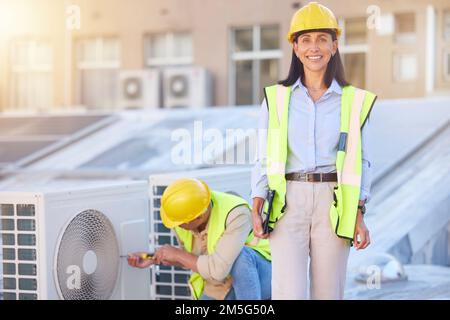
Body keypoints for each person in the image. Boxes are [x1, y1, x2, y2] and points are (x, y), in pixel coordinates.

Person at [250, 2, 376, 300]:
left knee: (328, 293)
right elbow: (262, 155)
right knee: (288, 293)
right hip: (287, 202)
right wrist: (257, 203)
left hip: (333, 203)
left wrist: (358, 213)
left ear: (335, 44)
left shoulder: (355, 101)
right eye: (305, 39)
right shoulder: (275, 98)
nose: (313, 47)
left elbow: (364, 161)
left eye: (322, 38)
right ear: (295, 47)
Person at [128, 178, 271, 300]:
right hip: (221, 286)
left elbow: (217, 270)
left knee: (241, 256)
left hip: (260, 278)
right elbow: (194, 259)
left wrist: (178, 254)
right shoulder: (185, 217)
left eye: (180, 223)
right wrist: (153, 257)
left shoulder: (236, 214)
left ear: (198, 217)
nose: (177, 226)